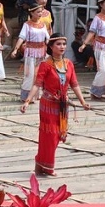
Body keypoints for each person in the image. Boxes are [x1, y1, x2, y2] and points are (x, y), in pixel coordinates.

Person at [20, 34, 91, 176]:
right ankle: (47, 166)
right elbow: (37, 84)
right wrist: (27, 101)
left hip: (62, 105)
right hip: (48, 105)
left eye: (64, 44)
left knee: (59, 135)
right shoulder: (45, 65)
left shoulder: (69, 64)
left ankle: (40, 163)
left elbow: (74, 84)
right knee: (49, 136)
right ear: (51, 47)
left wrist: (83, 102)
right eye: (58, 44)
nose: (62, 47)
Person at [11, 3, 50, 102]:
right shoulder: (27, 25)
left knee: (39, 74)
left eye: (41, 11)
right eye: (38, 12)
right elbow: (22, 37)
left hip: (41, 52)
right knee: (29, 74)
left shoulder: (42, 25)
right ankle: (26, 96)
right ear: (32, 13)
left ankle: (36, 95)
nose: (40, 14)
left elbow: (47, 38)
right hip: (30, 52)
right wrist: (16, 49)